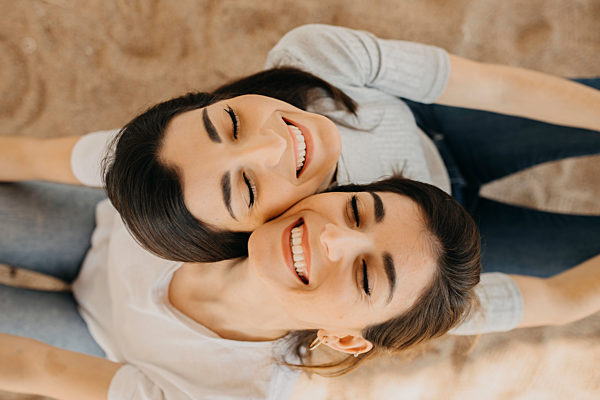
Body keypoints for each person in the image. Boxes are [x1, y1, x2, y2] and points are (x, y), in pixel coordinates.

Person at [1, 174, 486, 399]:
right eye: (356, 210)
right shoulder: (247, 183)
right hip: (98, 227)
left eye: (365, 276)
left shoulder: (233, 393)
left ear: (344, 338)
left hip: (94, 337)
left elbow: (38, 366)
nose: (333, 237)